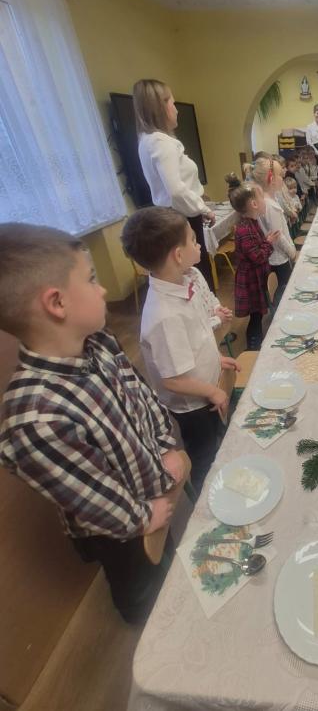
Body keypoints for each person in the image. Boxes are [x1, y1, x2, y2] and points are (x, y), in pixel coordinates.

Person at [0, 223, 185, 624]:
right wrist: (143, 518)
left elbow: (142, 396)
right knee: (139, 587)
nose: (102, 290)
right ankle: (147, 619)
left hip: (152, 486)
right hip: (116, 527)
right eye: (91, 279)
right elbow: (92, 499)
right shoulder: (35, 419)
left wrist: (165, 444)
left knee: (165, 557)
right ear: (57, 303)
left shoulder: (99, 342)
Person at [121, 208, 238, 497]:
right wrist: (212, 392)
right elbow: (173, 380)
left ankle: (222, 473)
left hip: (205, 387)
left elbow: (197, 337)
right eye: (193, 240)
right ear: (177, 255)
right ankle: (207, 498)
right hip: (194, 405)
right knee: (204, 453)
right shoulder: (165, 316)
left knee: (217, 439)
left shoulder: (185, 281)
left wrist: (215, 358)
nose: (198, 244)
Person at [133, 79, 216, 291]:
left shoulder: (147, 140)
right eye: (172, 103)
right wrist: (203, 209)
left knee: (187, 276)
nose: (176, 110)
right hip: (182, 218)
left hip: (176, 215)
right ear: (160, 107)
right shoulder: (161, 142)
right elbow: (176, 190)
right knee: (197, 274)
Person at [226, 174, 278, 350]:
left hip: (256, 275)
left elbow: (257, 249)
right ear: (254, 204)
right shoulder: (245, 229)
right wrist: (269, 243)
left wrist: (265, 242)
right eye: (262, 197)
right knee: (255, 316)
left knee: (258, 314)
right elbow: (258, 256)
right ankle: (253, 346)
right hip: (251, 280)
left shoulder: (252, 223)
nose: (265, 200)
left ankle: (256, 342)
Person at [249, 156, 296, 307]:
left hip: (275, 257)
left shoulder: (267, 200)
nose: (283, 176)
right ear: (271, 179)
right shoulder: (270, 206)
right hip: (279, 259)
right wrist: (292, 253)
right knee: (283, 295)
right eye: (280, 175)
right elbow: (278, 236)